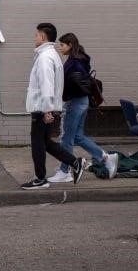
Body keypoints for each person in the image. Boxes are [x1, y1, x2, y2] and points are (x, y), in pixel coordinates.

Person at [22, 23, 87, 190]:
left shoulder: (45, 58)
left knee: (37, 143)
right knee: (46, 143)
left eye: (36, 35)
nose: (34, 38)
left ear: (43, 37)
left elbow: (47, 84)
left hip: (42, 108)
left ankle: (40, 178)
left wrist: (47, 109)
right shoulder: (51, 55)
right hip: (46, 107)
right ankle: (75, 162)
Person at [48, 32, 119, 183]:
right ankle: (106, 158)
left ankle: (64, 171)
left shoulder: (75, 62)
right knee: (78, 136)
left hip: (75, 103)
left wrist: (65, 92)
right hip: (82, 102)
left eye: (62, 45)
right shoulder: (80, 59)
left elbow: (78, 83)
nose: (60, 48)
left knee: (67, 137)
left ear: (70, 45)